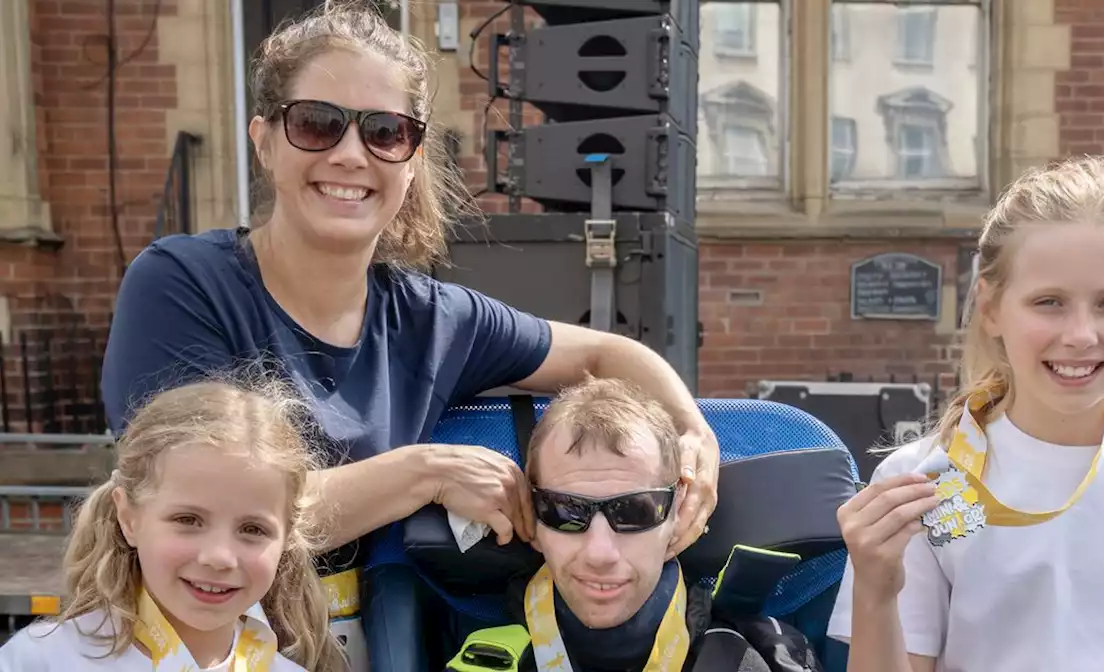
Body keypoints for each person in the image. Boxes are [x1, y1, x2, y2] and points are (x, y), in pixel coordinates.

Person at [98, 1, 719, 666]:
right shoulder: (182, 284)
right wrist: (424, 472)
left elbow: (606, 352)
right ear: (264, 139)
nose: (348, 155)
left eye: (384, 132)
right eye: (317, 124)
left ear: (412, 157)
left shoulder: (432, 318)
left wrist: (692, 434)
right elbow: (224, 513)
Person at [827, 157, 1104, 671]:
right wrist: (876, 591)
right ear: (992, 308)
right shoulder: (921, 480)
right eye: (1049, 302)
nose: (1081, 335)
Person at [0, 379, 347, 671]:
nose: (219, 557)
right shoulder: (41, 661)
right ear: (129, 517)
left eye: (253, 529)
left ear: (288, 536)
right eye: (188, 520)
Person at [479, 376, 820, 672]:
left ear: (680, 510)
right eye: (564, 511)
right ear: (531, 514)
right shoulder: (473, 660)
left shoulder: (767, 661)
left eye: (635, 511)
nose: (600, 553)